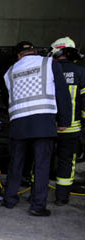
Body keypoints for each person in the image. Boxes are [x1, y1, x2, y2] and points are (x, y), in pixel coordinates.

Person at [3, 41, 72, 216]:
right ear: (34, 52)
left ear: (19, 55)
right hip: (43, 121)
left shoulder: (10, 72)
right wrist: (64, 120)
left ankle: (9, 199)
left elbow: (6, 98)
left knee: (16, 163)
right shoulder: (49, 63)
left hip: (19, 122)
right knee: (41, 164)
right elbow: (62, 93)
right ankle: (37, 206)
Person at [49, 37, 85, 205]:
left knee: (41, 159)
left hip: (47, 126)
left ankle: (36, 193)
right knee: (66, 161)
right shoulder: (80, 71)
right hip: (71, 128)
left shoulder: (48, 69)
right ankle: (62, 198)